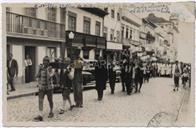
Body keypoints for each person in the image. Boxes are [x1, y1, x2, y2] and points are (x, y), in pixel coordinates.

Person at [34, 56, 54, 121]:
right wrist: (39, 70)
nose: (45, 62)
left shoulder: (50, 68)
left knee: (50, 100)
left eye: (46, 61)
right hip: (42, 87)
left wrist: (48, 70)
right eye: (44, 61)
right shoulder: (41, 68)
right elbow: (36, 76)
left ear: (48, 62)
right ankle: (40, 115)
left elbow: (49, 76)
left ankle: (51, 111)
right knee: (40, 100)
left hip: (49, 88)